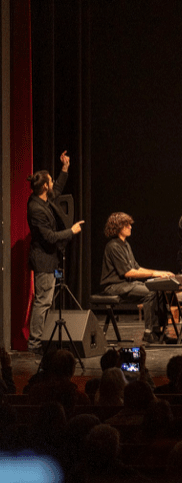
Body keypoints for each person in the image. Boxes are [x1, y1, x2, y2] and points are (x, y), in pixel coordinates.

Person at [26, 151, 84, 353]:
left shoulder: (43, 199)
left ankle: (42, 340)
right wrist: (71, 231)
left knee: (47, 300)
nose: (52, 184)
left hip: (50, 258)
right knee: (43, 302)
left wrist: (65, 168)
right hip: (43, 260)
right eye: (50, 181)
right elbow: (49, 237)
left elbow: (57, 190)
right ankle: (34, 343)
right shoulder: (36, 209)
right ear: (44, 186)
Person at [99, 212, 175, 345]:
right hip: (114, 287)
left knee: (158, 288)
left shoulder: (125, 245)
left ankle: (160, 332)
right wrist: (154, 274)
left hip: (126, 285)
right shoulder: (113, 246)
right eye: (126, 225)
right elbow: (128, 273)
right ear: (118, 227)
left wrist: (160, 272)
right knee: (151, 292)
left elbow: (137, 268)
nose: (130, 227)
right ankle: (148, 332)